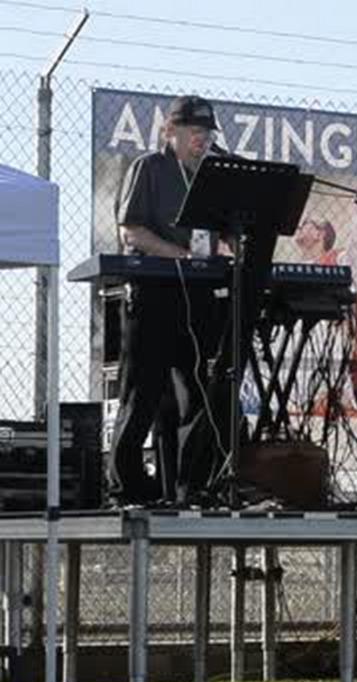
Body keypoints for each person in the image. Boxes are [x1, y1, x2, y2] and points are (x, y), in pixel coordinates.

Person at [107, 94, 229, 506]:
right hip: (155, 292)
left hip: (198, 295)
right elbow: (132, 231)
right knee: (142, 392)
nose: (203, 140)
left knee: (198, 392)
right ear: (170, 132)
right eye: (195, 132)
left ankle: (189, 485)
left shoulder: (212, 175)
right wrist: (181, 256)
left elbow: (226, 234)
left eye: (207, 133)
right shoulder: (151, 168)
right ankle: (126, 486)